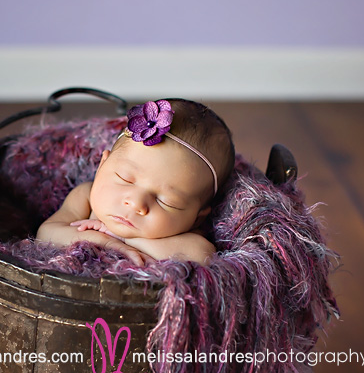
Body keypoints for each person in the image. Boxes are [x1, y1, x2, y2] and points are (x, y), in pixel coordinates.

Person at [36, 98, 235, 266]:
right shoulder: (84, 196)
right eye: (124, 179)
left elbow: (203, 256)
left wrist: (126, 239)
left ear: (197, 217)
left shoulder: (181, 238)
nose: (136, 203)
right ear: (102, 165)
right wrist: (107, 242)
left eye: (166, 201)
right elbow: (47, 233)